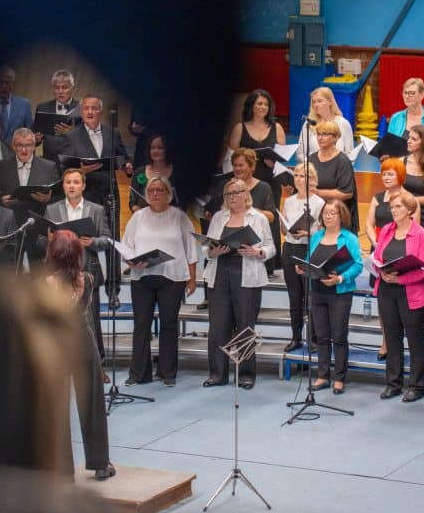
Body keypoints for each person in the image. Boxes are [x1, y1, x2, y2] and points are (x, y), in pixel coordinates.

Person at [44, 229, 114, 480]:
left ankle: (62, 470)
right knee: (93, 401)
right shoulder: (88, 279)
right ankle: (100, 463)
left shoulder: (45, 284)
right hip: (83, 339)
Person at [122, 176, 199, 387]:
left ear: (168, 193)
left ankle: (167, 372)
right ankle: (139, 373)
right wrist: (131, 261)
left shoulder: (179, 217)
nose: (155, 194)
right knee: (141, 324)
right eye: (151, 191)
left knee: (169, 323)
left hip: (172, 277)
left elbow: (191, 249)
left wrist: (192, 279)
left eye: (159, 190)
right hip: (142, 277)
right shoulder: (138, 217)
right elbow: (126, 246)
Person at [202, 179, 276, 389]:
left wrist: (258, 251)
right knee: (218, 327)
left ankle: (246, 374)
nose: (232, 197)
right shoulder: (219, 217)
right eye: (228, 194)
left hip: (247, 275)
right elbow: (206, 246)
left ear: (246, 194)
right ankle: (217, 374)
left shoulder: (258, 217)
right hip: (220, 274)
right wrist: (212, 252)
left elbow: (271, 246)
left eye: (236, 192)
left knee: (245, 326)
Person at [40, 168, 112, 359]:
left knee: (91, 320)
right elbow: (41, 241)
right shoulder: (52, 209)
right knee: (60, 319)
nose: (72, 186)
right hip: (60, 273)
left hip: (88, 270)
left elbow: (107, 240)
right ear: (63, 186)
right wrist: (51, 240)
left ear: (83, 186)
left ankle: (97, 362)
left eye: (76, 182)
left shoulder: (96, 209)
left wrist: (92, 242)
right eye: (68, 182)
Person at [372, 191, 424, 402]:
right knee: (392, 337)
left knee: (415, 339)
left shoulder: (420, 234)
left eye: (398, 206)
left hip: (411, 292)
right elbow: (377, 257)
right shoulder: (387, 230)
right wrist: (380, 270)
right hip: (387, 290)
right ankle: (393, 383)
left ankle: (417, 385)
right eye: (392, 207)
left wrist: (401, 279)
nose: (393, 210)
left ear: (409, 210)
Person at [301, 200, 364, 394]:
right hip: (318, 290)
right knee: (321, 336)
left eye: (332, 213)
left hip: (340, 292)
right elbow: (308, 260)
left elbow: (358, 265)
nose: (327, 216)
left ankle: (339, 378)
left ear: (341, 216)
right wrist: (302, 267)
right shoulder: (316, 236)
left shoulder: (349, 238)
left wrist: (340, 278)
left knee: (338, 336)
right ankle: (322, 376)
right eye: (325, 213)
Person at [365, 157, 420, 361]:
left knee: (402, 301)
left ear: (401, 176)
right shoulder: (377, 198)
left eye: (390, 173)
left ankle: (402, 339)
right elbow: (369, 224)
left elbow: (416, 228)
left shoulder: (410, 199)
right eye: (384, 174)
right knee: (383, 302)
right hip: (380, 252)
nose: (386, 177)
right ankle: (386, 340)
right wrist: (377, 243)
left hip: (401, 253)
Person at [279, 163, 325, 353]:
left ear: (311, 179)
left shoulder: (318, 202)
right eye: (296, 175)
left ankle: (313, 338)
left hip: (308, 249)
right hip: (290, 248)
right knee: (294, 296)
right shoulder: (289, 201)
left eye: (303, 176)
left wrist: (308, 233)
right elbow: (284, 231)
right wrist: (283, 223)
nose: (298, 179)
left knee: (310, 296)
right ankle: (296, 337)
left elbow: (322, 233)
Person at [60, 94, 130, 209]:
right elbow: (63, 169)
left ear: (101, 112)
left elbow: (124, 159)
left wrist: (127, 167)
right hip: (85, 197)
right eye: (86, 108)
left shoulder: (113, 133)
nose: (90, 112)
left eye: (94, 108)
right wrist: (81, 171)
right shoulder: (71, 137)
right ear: (81, 112)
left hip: (110, 196)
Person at [0, 127, 60, 237]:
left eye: (28, 145)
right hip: (10, 228)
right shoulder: (1, 167)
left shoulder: (49, 167)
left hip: (38, 228)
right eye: (20, 145)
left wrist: (48, 200)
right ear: (13, 146)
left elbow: (59, 198)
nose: (24, 150)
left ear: (34, 146)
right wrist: (1, 200)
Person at [227, 88, 287, 208]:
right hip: (245, 182)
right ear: (251, 105)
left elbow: (283, 156)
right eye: (259, 103)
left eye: (266, 104)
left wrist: (274, 163)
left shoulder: (277, 128)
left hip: (271, 179)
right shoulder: (239, 128)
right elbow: (231, 158)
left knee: (271, 214)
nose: (263, 107)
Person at [306, 119, 359, 233]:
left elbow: (346, 193)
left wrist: (318, 192)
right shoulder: (311, 159)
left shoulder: (343, 161)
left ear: (335, 137)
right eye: (318, 134)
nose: (320, 138)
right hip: (316, 214)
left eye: (325, 134)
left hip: (338, 216)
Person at [385, 76, 424, 158]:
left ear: (422, 95)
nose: (407, 96)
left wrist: (419, 159)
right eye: (405, 92)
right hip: (398, 164)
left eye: (411, 93)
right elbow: (389, 145)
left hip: (423, 164)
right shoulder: (395, 118)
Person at [295, 86, 354, 158]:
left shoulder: (343, 123)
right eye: (314, 102)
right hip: (313, 164)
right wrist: (311, 163)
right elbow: (300, 153)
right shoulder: (309, 124)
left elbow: (350, 153)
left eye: (320, 101)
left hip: (337, 164)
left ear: (330, 102)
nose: (316, 105)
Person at [34, 68, 80, 161]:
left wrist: (73, 134)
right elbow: (36, 139)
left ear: (73, 88)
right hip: (49, 161)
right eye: (57, 88)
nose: (60, 91)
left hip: (72, 162)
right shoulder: (42, 108)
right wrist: (36, 140)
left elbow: (89, 141)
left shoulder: (82, 109)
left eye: (64, 87)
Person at [128, 134, 175, 212]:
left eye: (160, 148)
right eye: (152, 148)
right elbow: (132, 202)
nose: (155, 151)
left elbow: (182, 202)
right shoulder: (139, 172)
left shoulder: (176, 173)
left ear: (167, 150)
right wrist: (136, 209)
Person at [0, 65, 34, 143]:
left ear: (13, 84)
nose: (4, 86)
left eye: (7, 83)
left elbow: (30, 134)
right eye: (1, 82)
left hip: (15, 150)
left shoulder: (24, 105)